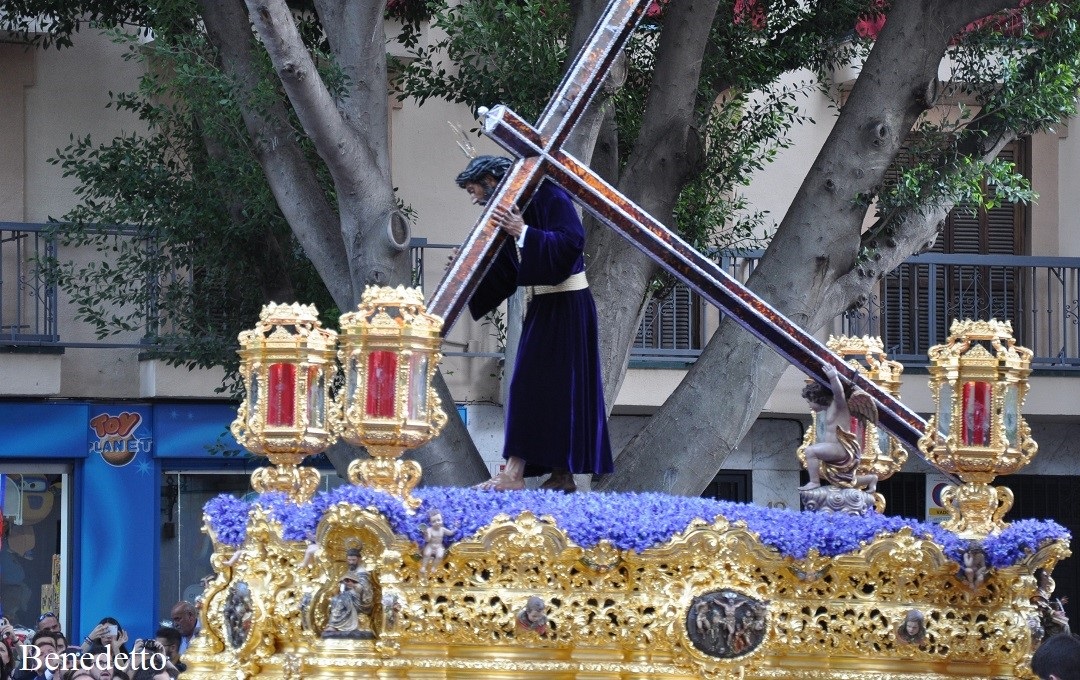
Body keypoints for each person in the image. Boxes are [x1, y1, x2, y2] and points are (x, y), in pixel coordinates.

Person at [456, 155, 613, 492]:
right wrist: (468, 269)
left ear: (492, 180)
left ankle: (513, 474)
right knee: (551, 391)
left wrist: (523, 231)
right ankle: (561, 474)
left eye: (474, 189)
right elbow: (505, 269)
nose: (473, 197)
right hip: (544, 305)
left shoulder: (551, 196)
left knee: (531, 386)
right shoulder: (513, 210)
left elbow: (572, 242)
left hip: (569, 304)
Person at [798, 363, 878, 492]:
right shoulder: (829, 409)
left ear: (816, 398)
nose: (809, 405)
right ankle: (870, 479)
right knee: (841, 479)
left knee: (810, 451)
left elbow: (839, 393)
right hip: (835, 448)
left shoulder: (837, 405)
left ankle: (814, 482)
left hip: (840, 449)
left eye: (809, 401)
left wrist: (833, 377)